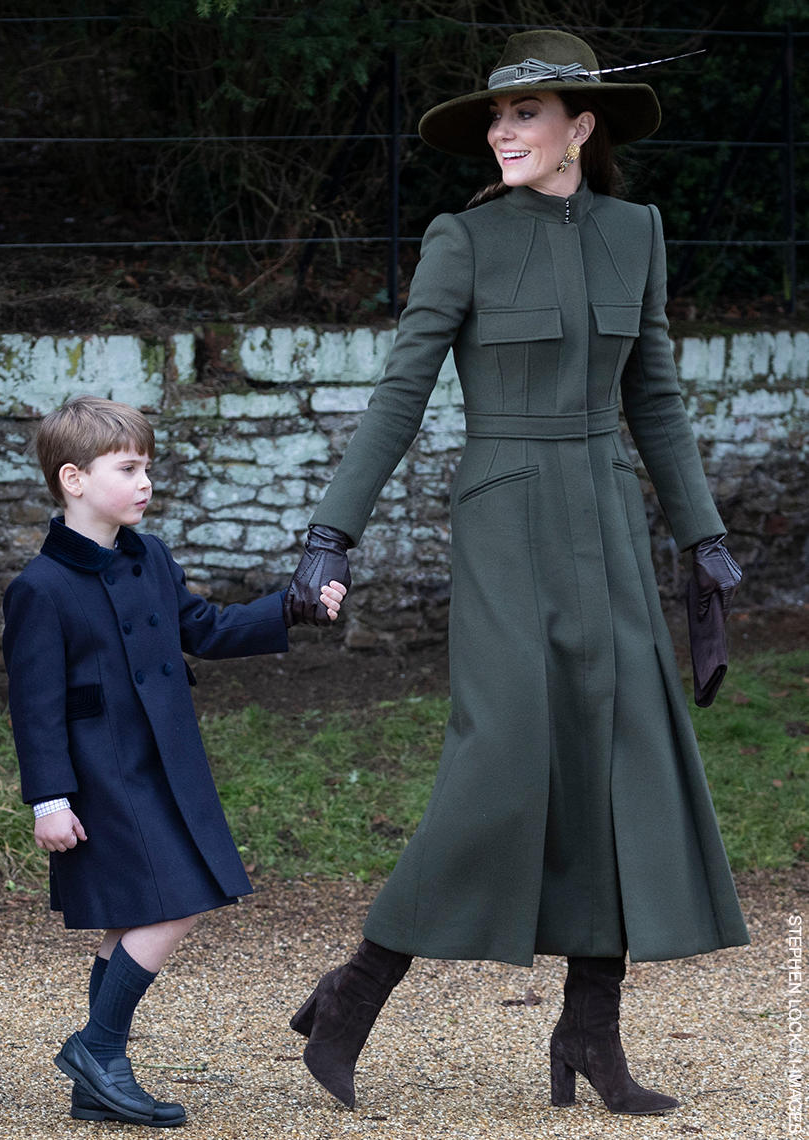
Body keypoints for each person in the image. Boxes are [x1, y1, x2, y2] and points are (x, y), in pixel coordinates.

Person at [284, 29, 749, 1117]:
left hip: (607, 516)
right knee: (501, 765)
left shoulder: (637, 232)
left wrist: (701, 535)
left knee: (620, 765)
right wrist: (329, 533)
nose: (504, 131)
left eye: (527, 114)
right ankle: (354, 992)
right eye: (498, 116)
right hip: (502, 517)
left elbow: (657, 399)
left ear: (579, 128)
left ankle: (588, 1032)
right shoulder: (463, 239)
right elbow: (402, 393)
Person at [2, 395, 346, 1127]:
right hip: (100, 778)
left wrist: (292, 605)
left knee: (129, 917)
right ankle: (98, 1049)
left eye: (147, 467)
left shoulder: (151, 557)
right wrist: (49, 799)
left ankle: (96, 1078)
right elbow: (33, 708)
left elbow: (207, 629)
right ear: (73, 478)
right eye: (128, 468)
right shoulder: (39, 588)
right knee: (179, 900)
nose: (144, 481)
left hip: (165, 767)